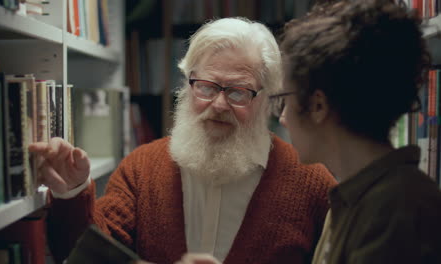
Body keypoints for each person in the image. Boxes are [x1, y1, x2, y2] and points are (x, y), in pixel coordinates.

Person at [30, 17, 336, 264]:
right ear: (187, 84)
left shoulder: (313, 184)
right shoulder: (142, 169)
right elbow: (85, 256)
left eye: (238, 92)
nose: (218, 105)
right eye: (205, 86)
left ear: (266, 99)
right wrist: (71, 193)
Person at [270, 0, 441, 263]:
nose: (283, 118)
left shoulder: (395, 213)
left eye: (285, 100)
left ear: (318, 105)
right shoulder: (355, 196)